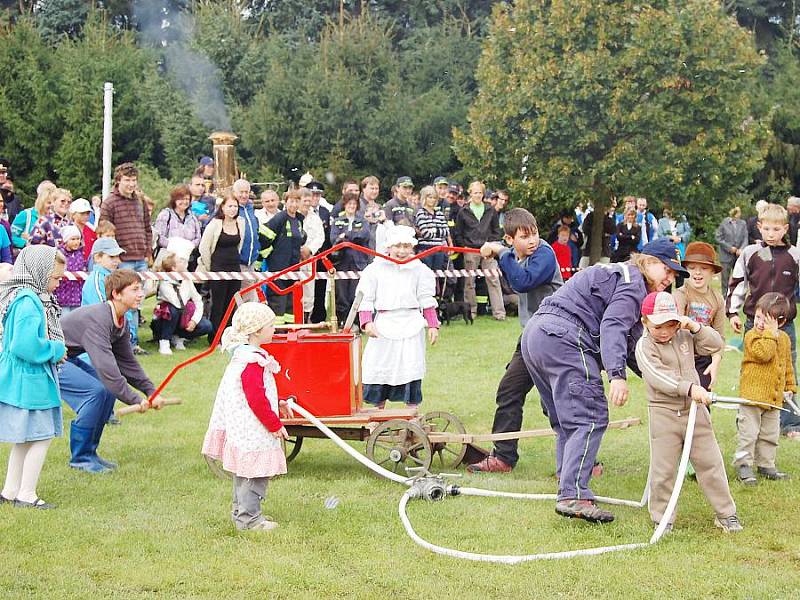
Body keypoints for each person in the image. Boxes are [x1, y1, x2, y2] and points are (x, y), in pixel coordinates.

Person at [520, 238, 685, 523]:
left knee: (566, 421)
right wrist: (617, 377)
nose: (670, 278)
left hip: (536, 335)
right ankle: (573, 495)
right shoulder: (634, 284)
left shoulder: (622, 276)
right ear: (647, 261)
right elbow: (613, 327)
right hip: (567, 336)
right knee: (589, 416)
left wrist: (661, 380)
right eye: (666, 269)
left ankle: (567, 482)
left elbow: (632, 344)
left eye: (674, 274)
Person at [635, 291, 741, 532]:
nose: (664, 331)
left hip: (696, 411)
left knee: (711, 463)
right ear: (645, 321)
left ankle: (726, 514)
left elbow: (716, 344)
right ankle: (662, 518)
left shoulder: (685, 334)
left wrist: (694, 326)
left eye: (671, 324)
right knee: (664, 470)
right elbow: (659, 376)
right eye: (658, 325)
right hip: (664, 414)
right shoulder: (644, 346)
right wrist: (690, 388)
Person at [467, 209, 562, 473]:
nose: (533, 240)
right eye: (524, 236)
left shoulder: (544, 253)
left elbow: (522, 282)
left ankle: (586, 463)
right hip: (532, 335)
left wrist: (500, 253)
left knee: (554, 400)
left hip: (554, 336)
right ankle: (503, 457)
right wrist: (500, 252)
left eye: (534, 233)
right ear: (511, 238)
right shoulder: (518, 255)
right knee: (509, 390)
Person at [60, 270, 166, 473]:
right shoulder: (99, 320)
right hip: (48, 359)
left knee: (107, 391)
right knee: (95, 392)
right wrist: (135, 399)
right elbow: (107, 369)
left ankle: (90, 453)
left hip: (69, 356)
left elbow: (127, 364)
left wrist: (151, 391)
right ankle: (80, 458)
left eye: (141, 289)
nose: (141, 294)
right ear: (116, 294)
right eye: (135, 289)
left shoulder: (121, 320)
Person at [202, 302, 288, 531]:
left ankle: (243, 513)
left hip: (244, 425)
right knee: (255, 473)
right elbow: (256, 399)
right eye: (271, 325)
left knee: (245, 472)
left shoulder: (244, 355)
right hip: (253, 427)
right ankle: (250, 521)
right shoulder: (253, 361)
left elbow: (256, 393)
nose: (274, 329)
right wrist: (274, 424)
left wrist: (277, 403)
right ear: (257, 331)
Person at [0, 246, 67, 509]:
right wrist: (55, 349)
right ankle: (26, 494)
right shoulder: (29, 301)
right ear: (39, 272)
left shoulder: (20, 295)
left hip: (21, 378)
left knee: (24, 438)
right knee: (41, 435)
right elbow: (24, 345)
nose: (59, 283)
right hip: (30, 379)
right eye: (56, 278)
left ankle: (10, 490)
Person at [727, 203, 800, 436]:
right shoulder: (750, 253)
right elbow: (738, 282)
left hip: (784, 325)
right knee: (753, 370)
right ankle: (747, 420)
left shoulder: (794, 256)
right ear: (759, 227)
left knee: (787, 370)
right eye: (766, 229)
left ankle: (789, 423)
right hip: (754, 323)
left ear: (785, 229)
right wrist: (732, 312)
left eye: (776, 230)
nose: (771, 234)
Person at [357, 226, 439, 407]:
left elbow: (426, 298)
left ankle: (412, 416)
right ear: (389, 247)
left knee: (410, 369)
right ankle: (378, 415)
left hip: (411, 325)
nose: (401, 251)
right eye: (397, 246)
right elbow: (365, 298)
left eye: (406, 246)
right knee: (380, 368)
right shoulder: (375, 269)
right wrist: (367, 322)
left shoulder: (420, 270)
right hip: (384, 327)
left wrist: (433, 325)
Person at [734, 293, 795, 484]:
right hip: (752, 397)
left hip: (773, 398)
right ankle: (743, 465)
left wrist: (790, 385)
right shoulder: (753, 336)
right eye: (758, 317)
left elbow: (786, 364)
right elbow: (764, 354)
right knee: (749, 433)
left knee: (770, 433)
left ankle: (766, 464)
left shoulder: (784, 338)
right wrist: (770, 332)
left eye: (767, 320)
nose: (760, 323)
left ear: (781, 321)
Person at [100, 162, 153, 355]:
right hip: (122, 259)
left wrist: (148, 251)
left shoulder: (140, 201)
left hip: (140, 257)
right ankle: (127, 344)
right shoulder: (110, 203)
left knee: (137, 303)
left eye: (134, 180)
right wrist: (114, 255)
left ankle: (133, 342)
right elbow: (104, 230)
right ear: (118, 181)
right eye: (127, 180)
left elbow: (148, 228)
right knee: (124, 304)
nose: (131, 184)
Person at [673, 242, 726, 390]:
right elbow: (676, 329)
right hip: (682, 357)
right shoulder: (680, 294)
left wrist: (715, 362)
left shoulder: (717, 299)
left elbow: (720, 337)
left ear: (712, 272)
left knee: (703, 402)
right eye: (692, 268)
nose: (697, 273)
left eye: (703, 268)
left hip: (704, 359)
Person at [151, 238, 213, 355]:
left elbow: (198, 300)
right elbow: (176, 303)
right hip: (167, 317)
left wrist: (194, 320)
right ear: (174, 268)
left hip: (183, 315)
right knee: (172, 310)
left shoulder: (187, 280)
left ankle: (179, 336)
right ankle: (164, 341)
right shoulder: (165, 282)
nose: (186, 264)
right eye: (181, 261)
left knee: (207, 326)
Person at [454, 180, 505, 320]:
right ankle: (471, 312)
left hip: (488, 250)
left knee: (494, 279)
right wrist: (464, 246)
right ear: (470, 193)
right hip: (470, 250)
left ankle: (499, 313)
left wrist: (491, 245)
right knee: (469, 282)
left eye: (480, 192)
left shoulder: (491, 210)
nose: (478, 195)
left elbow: (496, 231)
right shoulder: (463, 211)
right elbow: (458, 232)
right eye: (475, 192)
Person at [199, 194, 245, 344]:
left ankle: (229, 335)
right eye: (229, 206)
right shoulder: (215, 224)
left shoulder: (241, 223)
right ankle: (215, 337)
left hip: (234, 268)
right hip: (217, 268)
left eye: (235, 206)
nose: (232, 209)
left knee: (231, 303)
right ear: (223, 208)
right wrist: (209, 267)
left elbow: (240, 245)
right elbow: (204, 246)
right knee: (217, 304)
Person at [257, 189, 305, 324]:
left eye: (297, 201)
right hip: (278, 267)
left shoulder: (299, 220)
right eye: (291, 201)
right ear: (285, 202)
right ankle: (276, 332)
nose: (294, 204)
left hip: (294, 268)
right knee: (278, 300)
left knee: (291, 302)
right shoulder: (280, 218)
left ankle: (290, 330)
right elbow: (263, 236)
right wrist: (267, 253)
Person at [330, 193, 371, 324]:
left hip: (358, 261)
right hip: (341, 261)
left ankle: (357, 321)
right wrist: (349, 237)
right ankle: (342, 320)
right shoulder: (337, 221)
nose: (352, 206)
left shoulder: (362, 221)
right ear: (344, 205)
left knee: (356, 291)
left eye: (354, 204)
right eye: (349, 204)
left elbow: (363, 235)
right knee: (341, 293)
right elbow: (334, 239)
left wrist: (346, 235)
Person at [297, 188, 324, 322]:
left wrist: (309, 249)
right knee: (293, 289)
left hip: (309, 259)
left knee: (309, 292)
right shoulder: (291, 215)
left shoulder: (315, 217)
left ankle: (306, 319)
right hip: (292, 259)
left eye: (309, 200)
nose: (307, 203)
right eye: (305, 200)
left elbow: (320, 237)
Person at [153, 184, 202, 257]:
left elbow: (198, 237)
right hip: (168, 257)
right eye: (181, 199)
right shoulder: (165, 215)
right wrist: (175, 246)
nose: (184, 202)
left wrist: (189, 246)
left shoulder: (193, 217)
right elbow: (159, 236)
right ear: (174, 200)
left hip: (188, 257)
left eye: (187, 199)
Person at [232, 179, 261, 303]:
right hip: (239, 261)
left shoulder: (251, 209)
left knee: (251, 296)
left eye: (246, 192)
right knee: (245, 297)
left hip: (252, 261)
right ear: (234, 192)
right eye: (241, 192)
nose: (244, 195)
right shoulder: (231, 209)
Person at [414, 185, 450, 273]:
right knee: (425, 275)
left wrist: (433, 230)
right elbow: (426, 234)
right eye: (430, 197)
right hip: (425, 250)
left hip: (439, 249)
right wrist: (438, 230)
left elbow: (446, 232)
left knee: (437, 276)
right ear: (425, 198)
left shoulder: (440, 214)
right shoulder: (421, 213)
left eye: (434, 198)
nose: (432, 200)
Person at [11, 181, 55, 252]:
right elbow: (11, 237)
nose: (51, 205)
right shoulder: (26, 215)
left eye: (54, 202)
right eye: (49, 202)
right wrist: (26, 243)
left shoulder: (56, 219)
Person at [715, 206, 748, 299]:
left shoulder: (743, 223)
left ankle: (736, 296)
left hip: (738, 256)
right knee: (725, 278)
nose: (739, 215)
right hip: (726, 256)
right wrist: (729, 248)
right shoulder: (724, 223)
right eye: (737, 213)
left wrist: (741, 249)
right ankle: (724, 297)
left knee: (739, 276)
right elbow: (718, 238)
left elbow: (745, 238)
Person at [81, 238, 124, 306]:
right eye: (112, 257)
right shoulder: (96, 281)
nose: (117, 260)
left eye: (117, 256)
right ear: (97, 258)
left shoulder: (115, 277)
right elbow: (101, 310)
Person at [53, 225, 85, 315]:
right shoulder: (59, 254)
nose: (76, 242)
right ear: (66, 240)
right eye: (73, 239)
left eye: (78, 239)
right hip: (62, 296)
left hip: (77, 296)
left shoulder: (80, 254)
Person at [69, 198, 96, 262]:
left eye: (87, 213)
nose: (85, 216)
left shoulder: (92, 229)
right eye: (82, 213)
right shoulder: (68, 229)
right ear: (73, 214)